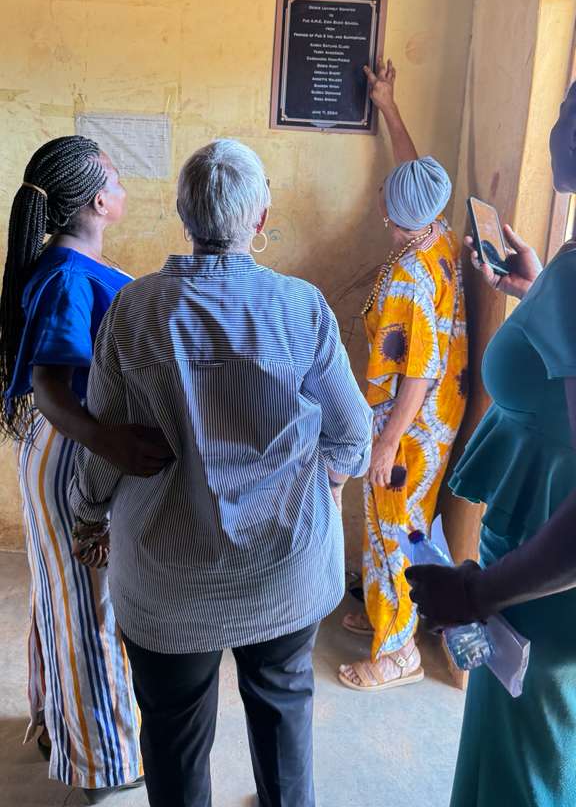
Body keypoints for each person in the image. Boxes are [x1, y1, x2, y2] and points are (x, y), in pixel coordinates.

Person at [68, 138, 373, 807]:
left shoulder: (135, 311)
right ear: (260, 218)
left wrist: (87, 517)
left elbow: (108, 445)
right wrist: (318, 480)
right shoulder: (302, 308)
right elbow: (353, 436)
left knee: (175, 738)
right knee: (283, 718)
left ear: (184, 217)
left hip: (167, 584)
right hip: (285, 572)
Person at [406, 82, 576, 806]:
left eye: (567, 111)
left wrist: (478, 592)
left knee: (524, 775)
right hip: (533, 577)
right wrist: (538, 293)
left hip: (540, 583)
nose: (558, 127)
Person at [0, 136, 173, 801]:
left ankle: (60, 724)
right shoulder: (70, 277)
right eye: (117, 182)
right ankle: (105, 762)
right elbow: (50, 386)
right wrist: (113, 445)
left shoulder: (67, 263)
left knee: (63, 593)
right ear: (99, 202)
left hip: (67, 446)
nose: (123, 191)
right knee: (88, 605)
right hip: (74, 449)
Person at [338, 60, 468, 692]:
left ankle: (398, 654)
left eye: (388, 201)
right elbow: (414, 175)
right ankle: (382, 610)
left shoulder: (412, 277)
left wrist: (387, 443)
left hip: (410, 422)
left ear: (395, 216)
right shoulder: (437, 233)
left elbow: (417, 371)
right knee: (388, 518)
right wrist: (388, 105)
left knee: (394, 525)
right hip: (434, 412)